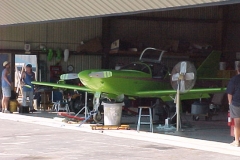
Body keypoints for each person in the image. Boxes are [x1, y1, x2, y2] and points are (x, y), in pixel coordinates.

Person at [227, 63, 240, 147]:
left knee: (237, 123)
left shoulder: (234, 79)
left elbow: (230, 93)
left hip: (236, 103)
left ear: (237, 69)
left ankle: (237, 141)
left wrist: (229, 103)